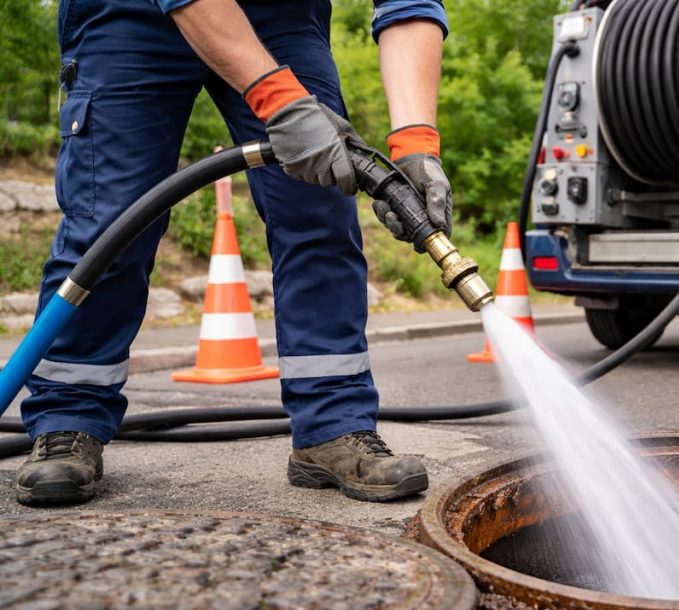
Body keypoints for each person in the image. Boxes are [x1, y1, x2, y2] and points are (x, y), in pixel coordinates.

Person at [14, 0, 453, 506]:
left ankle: (333, 425)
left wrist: (416, 143)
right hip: (127, 15)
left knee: (319, 207)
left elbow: (408, 5)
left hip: (280, 15)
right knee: (111, 222)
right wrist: (281, 101)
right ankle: (68, 418)